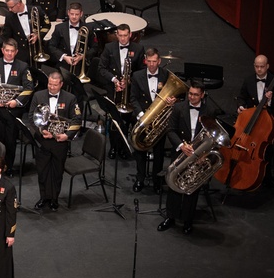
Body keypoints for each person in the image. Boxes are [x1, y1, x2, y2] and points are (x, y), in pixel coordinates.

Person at [159, 80, 226, 235]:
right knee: (174, 185)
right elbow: (171, 130)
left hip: (199, 155)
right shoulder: (178, 107)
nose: (192, 97)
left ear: (202, 95)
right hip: (180, 152)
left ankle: (188, 221)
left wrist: (204, 154)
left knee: (191, 188)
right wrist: (181, 146)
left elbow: (214, 136)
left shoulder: (210, 110)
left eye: (196, 95)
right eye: (190, 94)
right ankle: (171, 217)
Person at [29, 71, 82, 211]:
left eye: (54, 85)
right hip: (43, 141)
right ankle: (43, 198)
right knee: (42, 171)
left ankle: (54, 199)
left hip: (60, 142)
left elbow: (77, 120)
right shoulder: (38, 95)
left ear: (61, 84)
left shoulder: (71, 98)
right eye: (49, 84)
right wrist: (41, 131)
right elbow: (31, 118)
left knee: (57, 172)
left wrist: (67, 135)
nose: (51, 87)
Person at [129, 48, 177, 193]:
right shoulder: (137, 76)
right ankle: (140, 178)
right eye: (148, 61)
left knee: (159, 152)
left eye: (154, 61)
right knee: (140, 150)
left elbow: (177, 95)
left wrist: (173, 100)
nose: (151, 65)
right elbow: (133, 99)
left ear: (159, 61)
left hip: (160, 121)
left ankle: (157, 181)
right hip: (143, 119)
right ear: (145, 61)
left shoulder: (166, 75)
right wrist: (142, 116)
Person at [0, 38, 35, 172]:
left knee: (11, 141)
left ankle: (9, 167)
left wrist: (16, 102)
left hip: (13, 112)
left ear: (16, 52)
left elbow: (29, 88)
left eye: (12, 51)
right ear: (2, 50)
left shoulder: (23, 66)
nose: (9, 54)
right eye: (7, 50)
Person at [96, 23, 145, 158]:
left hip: (130, 91)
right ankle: (113, 147)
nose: (123, 39)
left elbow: (142, 71)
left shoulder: (139, 49)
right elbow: (101, 68)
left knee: (127, 120)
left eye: (125, 36)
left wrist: (129, 81)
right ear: (117, 35)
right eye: (120, 36)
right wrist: (115, 80)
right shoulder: (109, 47)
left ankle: (124, 148)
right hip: (114, 88)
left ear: (130, 35)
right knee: (114, 121)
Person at [46, 2, 91, 99]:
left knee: (77, 94)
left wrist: (82, 56)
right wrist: (64, 57)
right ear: (68, 13)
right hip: (63, 65)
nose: (74, 17)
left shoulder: (88, 28)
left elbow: (95, 48)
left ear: (81, 14)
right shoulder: (59, 28)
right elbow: (51, 46)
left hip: (79, 66)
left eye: (77, 14)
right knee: (62, 93)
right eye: (72, 14)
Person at [1, 0, 46, 66]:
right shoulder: (10, 16)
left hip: (35, 49)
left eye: (11, 7)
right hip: (21, 53)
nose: (9, 9)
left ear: (18, 4)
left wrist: (38, 35)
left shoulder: (36, 10)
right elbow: (6, 35)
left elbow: (47, 25)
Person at [238, 54, 274, 120]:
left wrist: (269, 101)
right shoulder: (248, 80)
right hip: (251, 116)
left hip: (268, 117)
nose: (259, 69)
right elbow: (241, 97)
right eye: (256, 66)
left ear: (267, 66)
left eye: (262, 66)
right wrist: (241, 106)